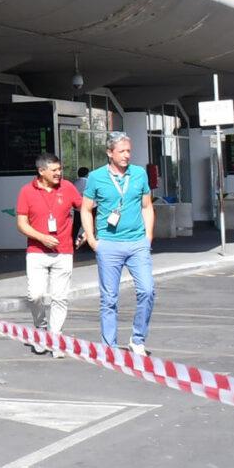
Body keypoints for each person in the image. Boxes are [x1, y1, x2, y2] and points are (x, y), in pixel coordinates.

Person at [80, 133, 156, 351]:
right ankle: (109, 347)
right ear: (109, 153)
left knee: (147, 290)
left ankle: (138, 339)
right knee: (109, 299)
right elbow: (85, 209)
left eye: (128, 151)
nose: (126, 155)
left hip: (137, 242)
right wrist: (93, 239)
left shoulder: (139, 174)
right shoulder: (96, 177)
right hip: (109, 244)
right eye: (121, 151)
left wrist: (148, 236)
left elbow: (147, 206)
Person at [15, 152, 85, 356]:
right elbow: (21, 224)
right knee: (34, 295)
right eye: (54, 170)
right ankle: (40, 328)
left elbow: (85, 209)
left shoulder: (68, 187)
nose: (59, 173)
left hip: (64, 251)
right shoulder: (26, 191)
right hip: (37, 252)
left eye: (60, 169)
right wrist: (41, 237)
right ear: (41, 171)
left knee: (60, 298)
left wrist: (85, 232)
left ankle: (55, 338)